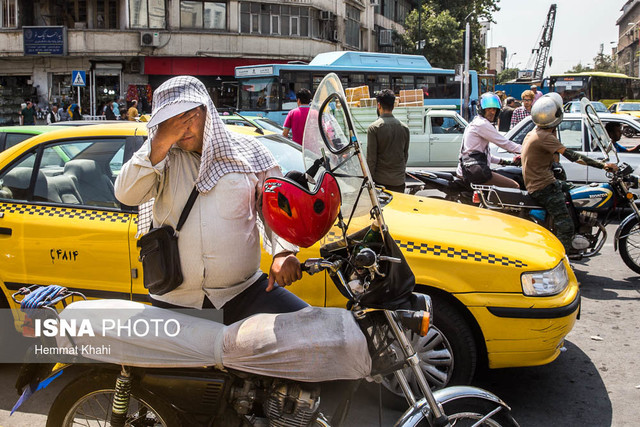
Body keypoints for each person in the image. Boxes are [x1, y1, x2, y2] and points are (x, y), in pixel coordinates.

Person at [114, 75, 308, 325]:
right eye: (170, 121)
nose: (182, 128)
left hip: (244, 293)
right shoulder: (160, 155)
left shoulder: (249, 151)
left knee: (307, 327)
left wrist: (282, 252)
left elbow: (278, 209)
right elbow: (126, 194)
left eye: (188, 117)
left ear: (207, 111)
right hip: (174, 299)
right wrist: (160, 142)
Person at [521, 93, 618, 253]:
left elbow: (556, 160)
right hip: (544, 187)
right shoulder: (545, 137)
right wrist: (603, 166)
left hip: (546, 182)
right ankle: (561, 258)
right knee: (566, 227)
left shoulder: (535, 133)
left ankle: (581, 228)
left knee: (576, 191)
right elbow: (572, 156)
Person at [457, 92, 522, 188]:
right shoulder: (482, 124)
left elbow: (486, 156)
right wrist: (528, 150)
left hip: (468, 169)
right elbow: (504, 143)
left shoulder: (476, 122)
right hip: (474, 171)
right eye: (489, 109)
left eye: (494, 109)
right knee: (514, 186)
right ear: (482, 110)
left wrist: (508, 161)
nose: (492, 112)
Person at [366, 89, 410, 193]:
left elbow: (371, 160)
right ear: (393, 106)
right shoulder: (404, 128)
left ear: (379, 105)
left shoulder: (373, 128)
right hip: (399, 182)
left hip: (380, 182)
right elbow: (405, 156)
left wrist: (369, 181)